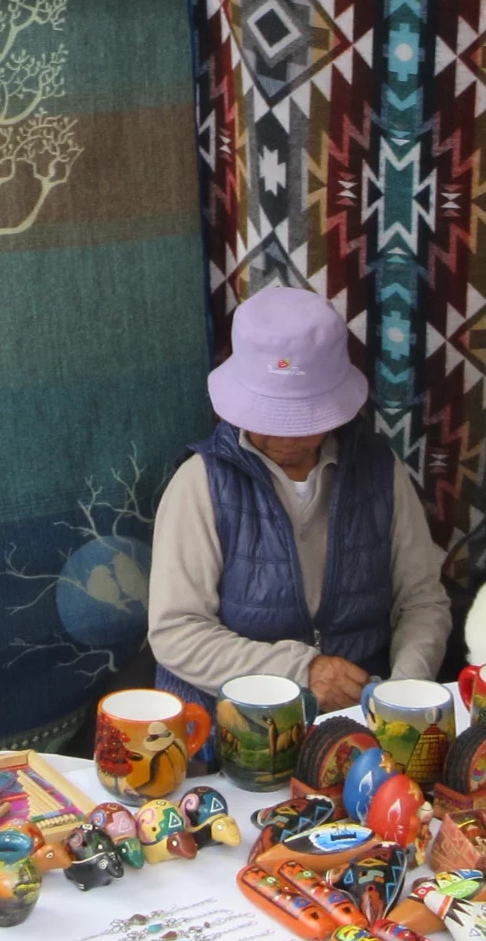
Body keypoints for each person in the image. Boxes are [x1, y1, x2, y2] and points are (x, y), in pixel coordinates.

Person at [148, 285, 451, 714]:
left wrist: (403, 693)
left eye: (304, 419)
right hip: (238, 729)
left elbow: (422, 600)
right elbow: (176, 632)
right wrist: (300, 670)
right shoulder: (200, 483)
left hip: (361, 721)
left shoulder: (381, 472)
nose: (286, 437)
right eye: (270, 418)